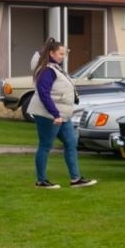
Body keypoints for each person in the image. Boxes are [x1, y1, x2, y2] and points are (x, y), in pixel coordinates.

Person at [27, 39, 97, 189]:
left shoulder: (54, 67)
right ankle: (41, 181)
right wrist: (55, 114)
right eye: (60, 53)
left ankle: (75, 179)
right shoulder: (47, 70)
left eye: (64, 54)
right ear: (51, 53)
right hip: (49, 115)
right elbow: (44, 93)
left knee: (71, 143)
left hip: (63, 115)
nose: (63, 56)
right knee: (45, 145)